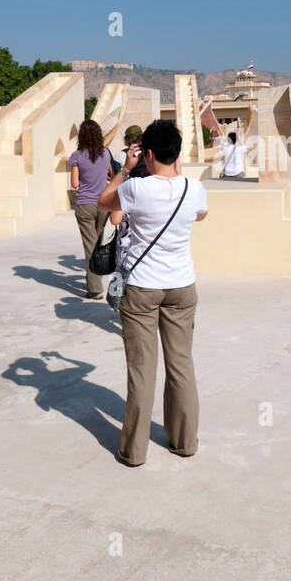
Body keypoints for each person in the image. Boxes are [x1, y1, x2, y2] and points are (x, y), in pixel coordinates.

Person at [98, 119, 208, 467]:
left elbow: (104, 203)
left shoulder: (136, 189)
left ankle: (134, 450)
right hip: (181, 285)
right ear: (177, 153)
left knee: (142, 370)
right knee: (181, 365)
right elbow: (200, 215)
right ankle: (184, 441)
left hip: (143, 287)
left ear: (146, 153)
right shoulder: (195, 189)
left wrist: (125, 170)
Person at [69, 119, 113, 299]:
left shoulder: (77, 156)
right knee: (97, 244)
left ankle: (95, 289)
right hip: (103, 204)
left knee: (90, 246)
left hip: (85, 205)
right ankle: (92, 284)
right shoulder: (106, 153)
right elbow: (111, 174)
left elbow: (74, 184)